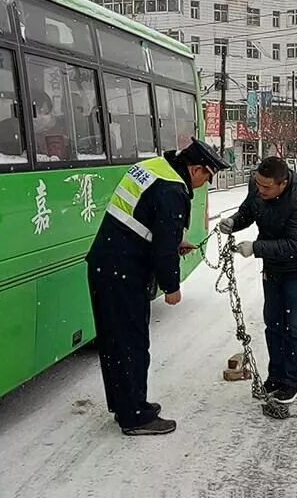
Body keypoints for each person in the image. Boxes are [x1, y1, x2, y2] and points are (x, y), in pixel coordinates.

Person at [86, 138, 230, 436]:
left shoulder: (154, 168)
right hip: (123, 272)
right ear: (195, 169)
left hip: (107, 264)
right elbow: (163, 247)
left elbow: (142, 221)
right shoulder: (172, 189)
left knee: (115, 342)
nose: (204, 184)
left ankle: (125, 405)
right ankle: (136, 416)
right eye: (207, 176)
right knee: (131, 343)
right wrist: (172, 286)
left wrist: (174, 241)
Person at [217, 157, 297, 404]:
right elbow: (248, 211)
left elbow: (295, 245)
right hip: (273, 267)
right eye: (258, 185)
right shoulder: (259, 186)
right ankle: (276, 376)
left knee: (296, 326)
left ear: (283, 184)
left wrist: (256, 248)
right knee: (274, 323)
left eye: (266, 187)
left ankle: (293, 381)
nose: (260, 190)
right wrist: (233, 222)